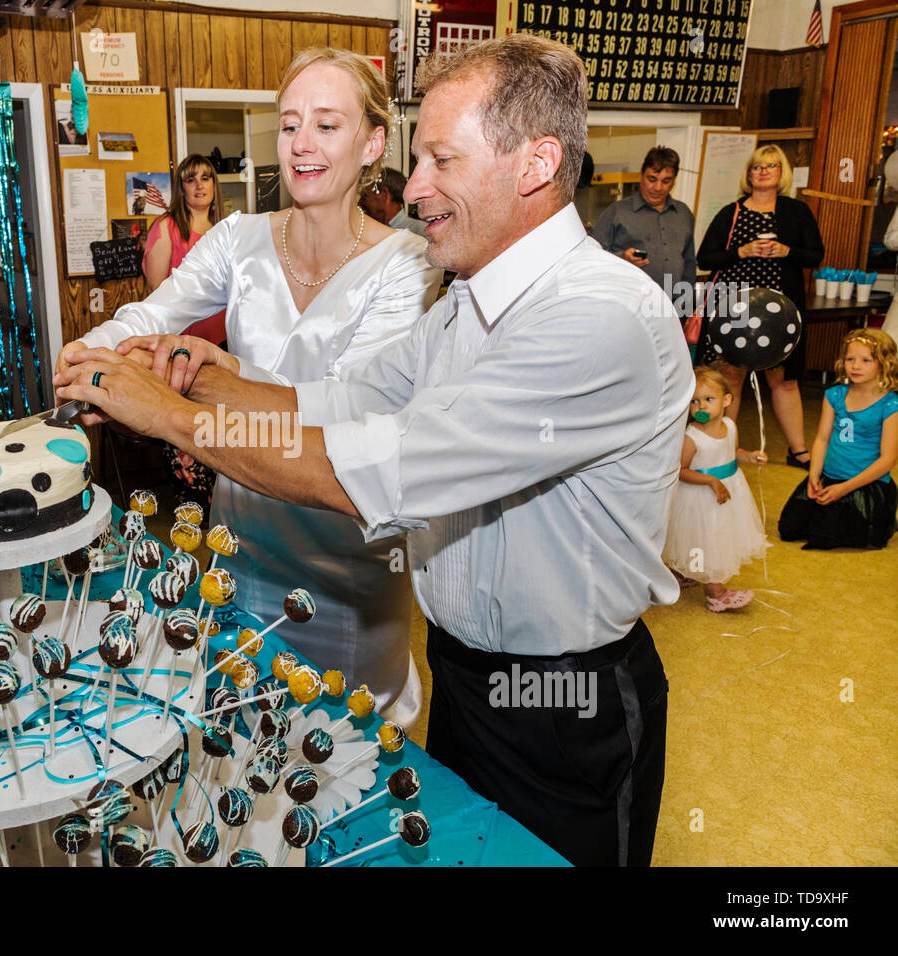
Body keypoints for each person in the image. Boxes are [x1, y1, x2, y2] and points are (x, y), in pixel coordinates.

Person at [55, 34, 692, 867]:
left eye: (441, 161)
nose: (415, 189)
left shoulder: (594, 316)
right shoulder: (467, 306)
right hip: (464, 678)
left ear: (535, 164)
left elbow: (366, 468)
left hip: (564, 700)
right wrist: (208, 379)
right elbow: (336, 401)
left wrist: (170, 417)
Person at [56, 47, 443, 724]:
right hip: (242, 547)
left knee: (343, 757)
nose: (301, 143)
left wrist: (206, 377)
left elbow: (354, 411)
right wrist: (96, 349)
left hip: (349, 567)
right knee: (238, 744)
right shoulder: (239, 239)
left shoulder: (407, 264)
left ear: (373, 141)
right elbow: (156, 309)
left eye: (327, 124)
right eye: (290, 123)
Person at [697, 144, 825, 469]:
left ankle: (798, 451)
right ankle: (724, 447)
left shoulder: (796, 212)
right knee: (731, 378)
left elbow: (815, 255)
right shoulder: (732, 212)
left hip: (780, 313)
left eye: (771, 166)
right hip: (736, 309)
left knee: (785, 380)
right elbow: (705, 257)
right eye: (757, 166)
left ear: (782, 173)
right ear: (749, 174)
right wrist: (741, 252)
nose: (763, 171)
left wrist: (786, 251)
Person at [142, 154, 228, 512]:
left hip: (224, 351)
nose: (199, 186)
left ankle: (224, 521)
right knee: (188, 443)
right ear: (180, 188)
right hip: (180, 356)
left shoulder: (227, 230)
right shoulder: (167, 228)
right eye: (191, 179)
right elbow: (157, 298)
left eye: (206, 178)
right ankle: (190, 523)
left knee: (224, 439)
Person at [779, 329, 898, 549]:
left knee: (836, 535)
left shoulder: (891, 405)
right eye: (850, 359)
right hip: (830, 477)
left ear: (884, 364)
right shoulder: (834, 395)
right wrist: (814, 474)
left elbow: (888, 460)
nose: (855, 366)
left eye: (866, 360)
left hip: (864, 484)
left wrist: (844, 489)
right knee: (789, 528)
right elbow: (823, 439)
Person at [663, 367, 769, 611]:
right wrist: (710, 481)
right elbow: (681, 470)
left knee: (718, 534)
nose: (700, 407)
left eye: (708, 399)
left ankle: (688, 572)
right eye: (694, 401)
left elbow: (732, 453)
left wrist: (750, 457)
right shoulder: (692, 436)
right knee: (707, 539)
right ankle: (716, 593)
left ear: (726, 400)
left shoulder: (731, 426)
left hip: (729, 489)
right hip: (700, 495)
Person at [592, 145, 696, 313]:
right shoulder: (616, 212)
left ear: (674, 181)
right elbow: (592, 257)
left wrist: (687, 298)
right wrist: (622, 258)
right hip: (629, 306)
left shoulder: (683, 213)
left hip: (673, 307)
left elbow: (689, 260)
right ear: (641, 175)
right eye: (652, 179)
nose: (658, 188)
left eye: (666, 181)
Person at [359, 168, 428, 237]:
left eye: (364, 196)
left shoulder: (421, 232)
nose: (360, 202)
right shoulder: (367, 231)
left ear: (384, 195)